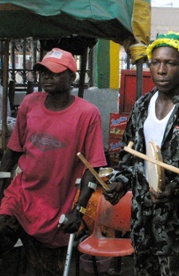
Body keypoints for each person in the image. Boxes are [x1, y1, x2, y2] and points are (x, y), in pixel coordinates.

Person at [103, 32, 179, 276]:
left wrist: (175, 189)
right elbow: (129, 157)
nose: (161, 70)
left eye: (170, 63)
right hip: (143, 222)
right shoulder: (141, 106)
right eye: (155, 62)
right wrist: (119, 182)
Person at [0, 48, 106, 275]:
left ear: (72, 77)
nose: (47, 77)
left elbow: (93, 167)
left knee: (48, 267)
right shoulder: (29, 104)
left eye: (55, 72)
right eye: (43, 72)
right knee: (2, 230)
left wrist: (79, 210)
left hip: (58, 201)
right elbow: (12, 151)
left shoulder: (87, 114)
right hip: (22, 194)